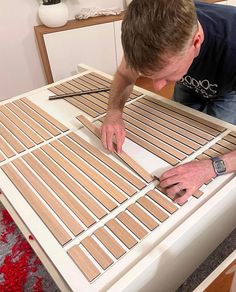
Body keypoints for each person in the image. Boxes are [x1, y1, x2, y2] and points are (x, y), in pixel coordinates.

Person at [101, 0, 236, 204]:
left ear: (196, 41)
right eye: (151, 76)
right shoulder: (149, 34)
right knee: (180, 136)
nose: (158, 87)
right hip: (192, 79)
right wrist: (113, 113)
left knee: (217, 145)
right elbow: (124, 74)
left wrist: (211, 167)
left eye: (166, 75)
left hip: (230, 85)